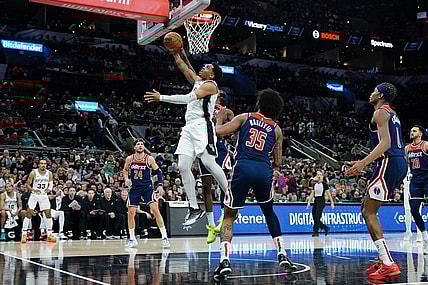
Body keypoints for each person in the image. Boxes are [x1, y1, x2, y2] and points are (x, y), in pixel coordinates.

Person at [213, 88, 297, 279]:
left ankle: (224, 260)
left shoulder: (245, 117)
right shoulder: (276, 129)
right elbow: (278, 162)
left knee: (228, 215)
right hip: (263, 170)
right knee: (268, 211)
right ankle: (282, 253)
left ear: (259, 103)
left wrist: (219, 117)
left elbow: (219, 132)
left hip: (243, 167)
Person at [144, 49, 229, 226]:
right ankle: (193, 207)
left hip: (202, 126)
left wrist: (162, 97)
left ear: (212, 73)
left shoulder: (211, 86)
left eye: (207, 66)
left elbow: (189, 98)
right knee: (182, 166)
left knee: (209, 163)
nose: (202, 67)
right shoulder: (199, 81)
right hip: (189, 128)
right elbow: (184, 67)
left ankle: (230, 193)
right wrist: (176, 53)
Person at [345, 82, 406, 280]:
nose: (370, 94)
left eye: (373, 91)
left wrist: (362, 164)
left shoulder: (379, 112)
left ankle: (388, 263)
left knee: (369, 211)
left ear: (380, 95)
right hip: (395, 162)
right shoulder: (392, 113)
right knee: (366, 209)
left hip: (388, 162)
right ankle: (383, 259)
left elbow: (386, 143)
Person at [199, 91, 235, 244]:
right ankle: (211, 225)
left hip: (218, 148)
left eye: (218, 94)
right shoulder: (202, 107)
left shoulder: (226, 111)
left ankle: (222, 218)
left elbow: (234, 130)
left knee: (222, 184)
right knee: (206, 187)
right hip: (203, 147)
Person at [123, 140, 170, 248]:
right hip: (134, 188)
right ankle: (132, 239)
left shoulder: (149, 158)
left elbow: (158, 171)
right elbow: (125, 170)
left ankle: (164, 237)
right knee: (130, 213)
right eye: (138, 144)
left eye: (142, 144)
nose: (140, 146)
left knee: (155, 210)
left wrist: (160, 184)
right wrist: (126, 179)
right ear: (134, 147)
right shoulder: (130, 159)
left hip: (147, 188)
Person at [22, 159, 56, 243]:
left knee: (48, 214)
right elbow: (27, 184)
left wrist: (49, 189)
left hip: (44, 195)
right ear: (38, 165)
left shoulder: (49, 173)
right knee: (28, 213)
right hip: (34, 195)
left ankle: (49, 234)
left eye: (45, 164)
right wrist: (33, 190)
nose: (43, 165)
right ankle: (24, 234)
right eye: (41, 163)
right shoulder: (34, 173)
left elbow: (51, 183)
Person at [405, 125, 428, 242]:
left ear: (420, 134)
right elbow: (407, 164)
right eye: (411, 130)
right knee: (413, 209)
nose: (411, 132)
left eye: (414, 131)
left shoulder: (425, 145)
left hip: (426, 178)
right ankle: (424, 234)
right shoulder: (407, 148)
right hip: (415, 180)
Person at [306, 171, 335, 237]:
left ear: (322, 176)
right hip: (316, 200)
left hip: (321, 201)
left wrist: (332, 203)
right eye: (318, 175)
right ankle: (325, 227)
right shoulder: (314, 184)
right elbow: (312, 194)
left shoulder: (324, 184)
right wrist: (309, 202)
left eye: (320, 175)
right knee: (314, 216)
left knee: (317, 216)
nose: (319, 176)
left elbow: (329, 194)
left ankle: (316, 232)